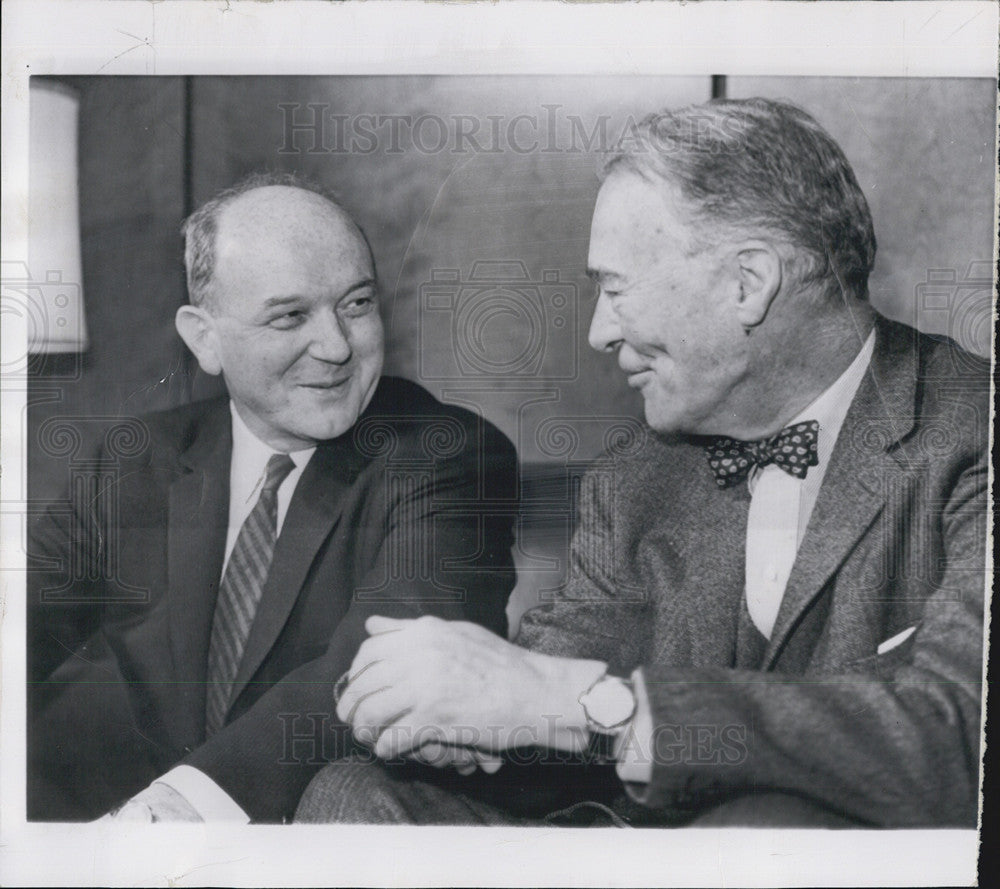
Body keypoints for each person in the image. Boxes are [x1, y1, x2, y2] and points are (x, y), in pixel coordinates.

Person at [297, 99, 989, 828]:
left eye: (616, 287)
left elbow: (959, 741)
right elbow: (559, 669)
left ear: (748, 283)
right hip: (656, 855)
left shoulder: (974, 429)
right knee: (355, 795)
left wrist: (579, 702)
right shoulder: (638, 475)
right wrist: (460, 717)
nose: (598, 330)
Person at [27, 173, 517, 823]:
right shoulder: (133, 463)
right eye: (291, 315)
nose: (338, 346)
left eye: (357, 303)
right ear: (204, 338)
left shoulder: (447, 453)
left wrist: (183, 805)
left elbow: (381, 669)